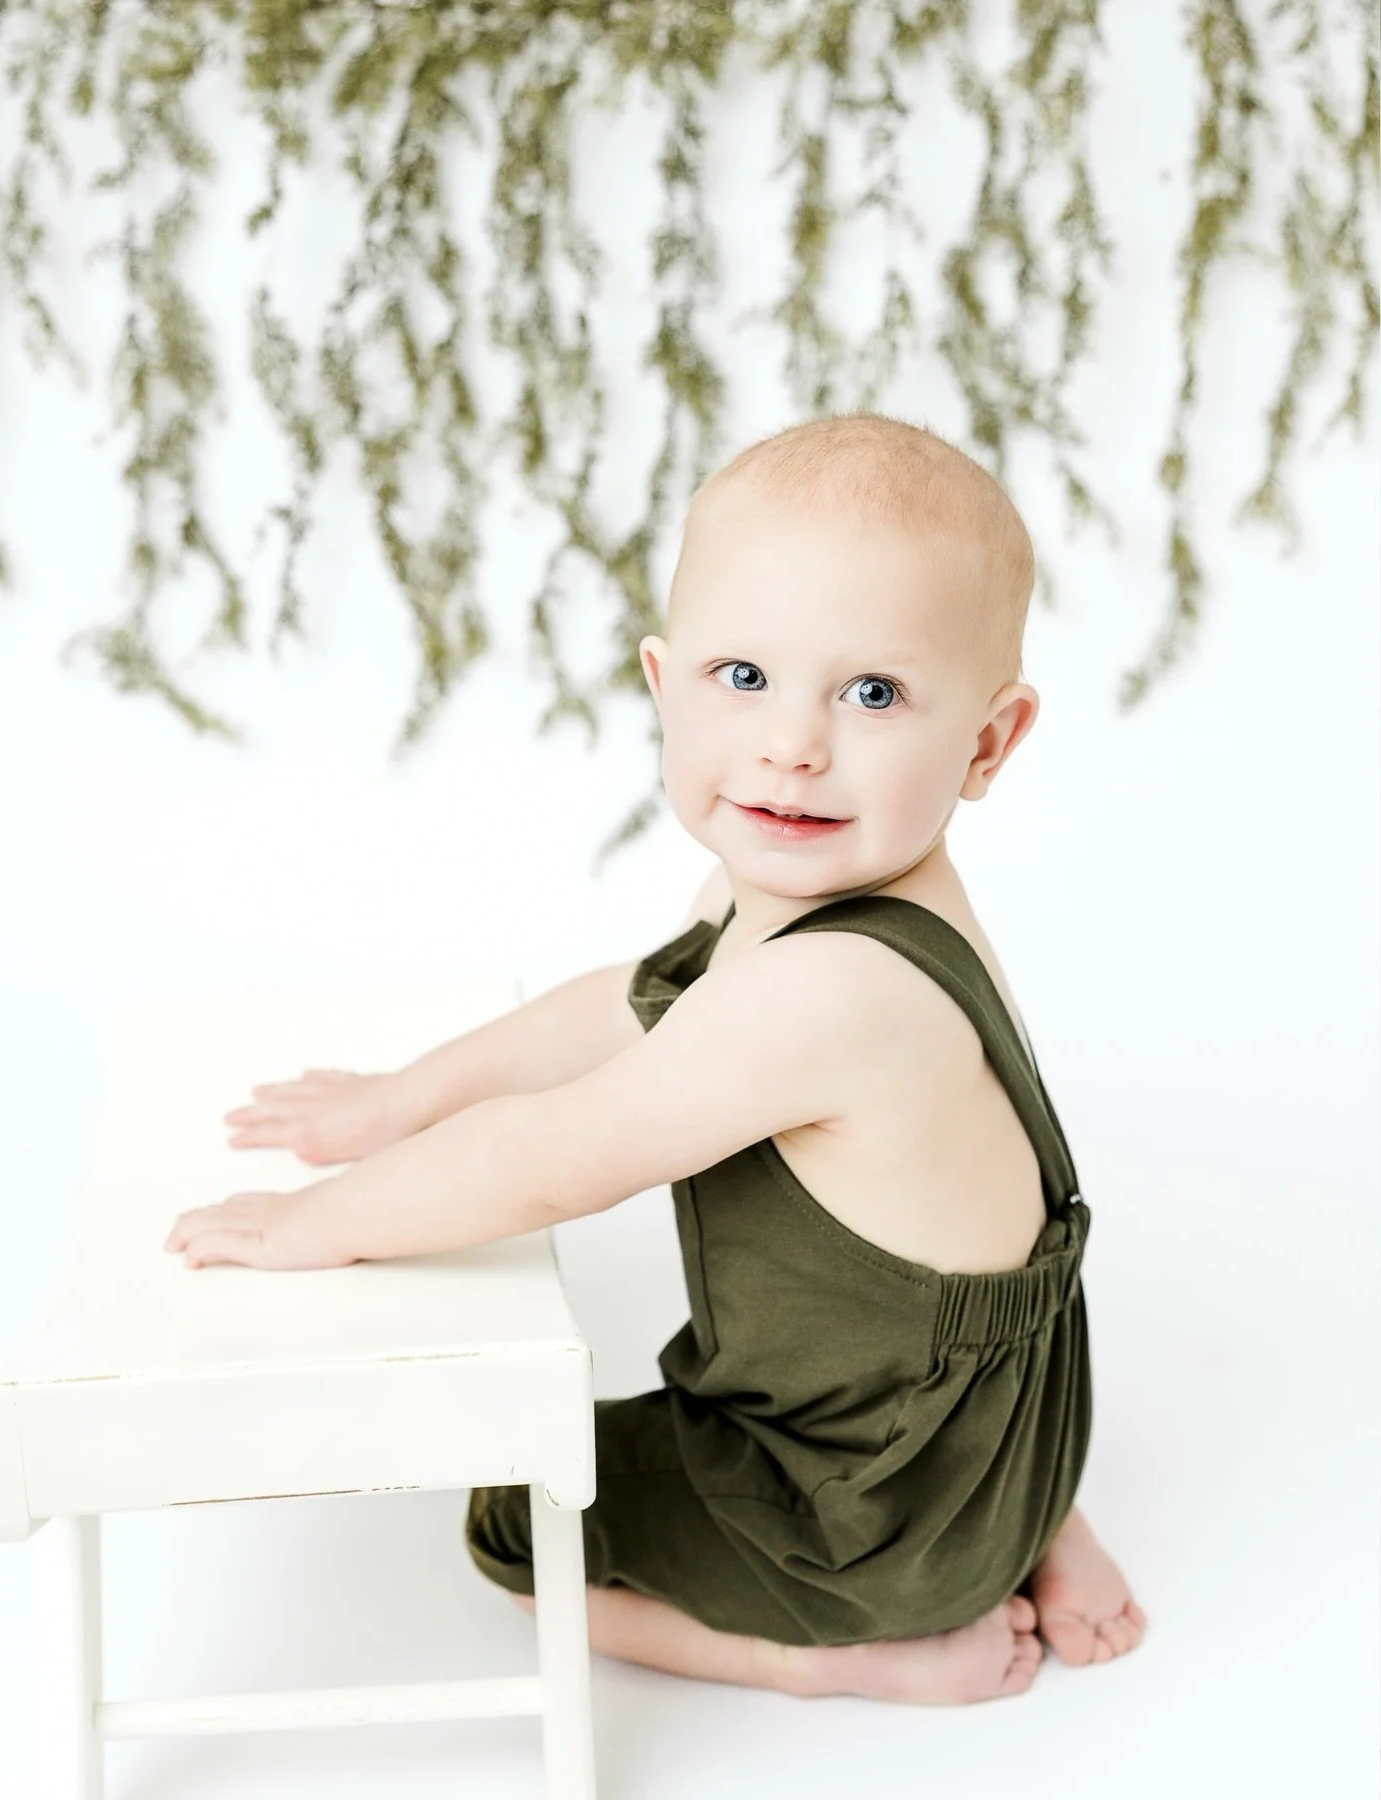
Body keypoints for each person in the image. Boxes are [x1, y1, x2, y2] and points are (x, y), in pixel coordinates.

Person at [164, 410, 1148, 1705]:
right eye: (743, 677)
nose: (794, 742)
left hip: (866, 1510)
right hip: (1005, 1430)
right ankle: (1032, 1525)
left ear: (987, 742)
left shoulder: (830, 993)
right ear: (663, 682)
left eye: (872, 693)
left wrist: (321, 1224)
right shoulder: (833, 895)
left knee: (517, 1523)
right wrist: (406, 1099)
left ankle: (864, 1653)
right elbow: (634, 1007)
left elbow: (548, 1162)